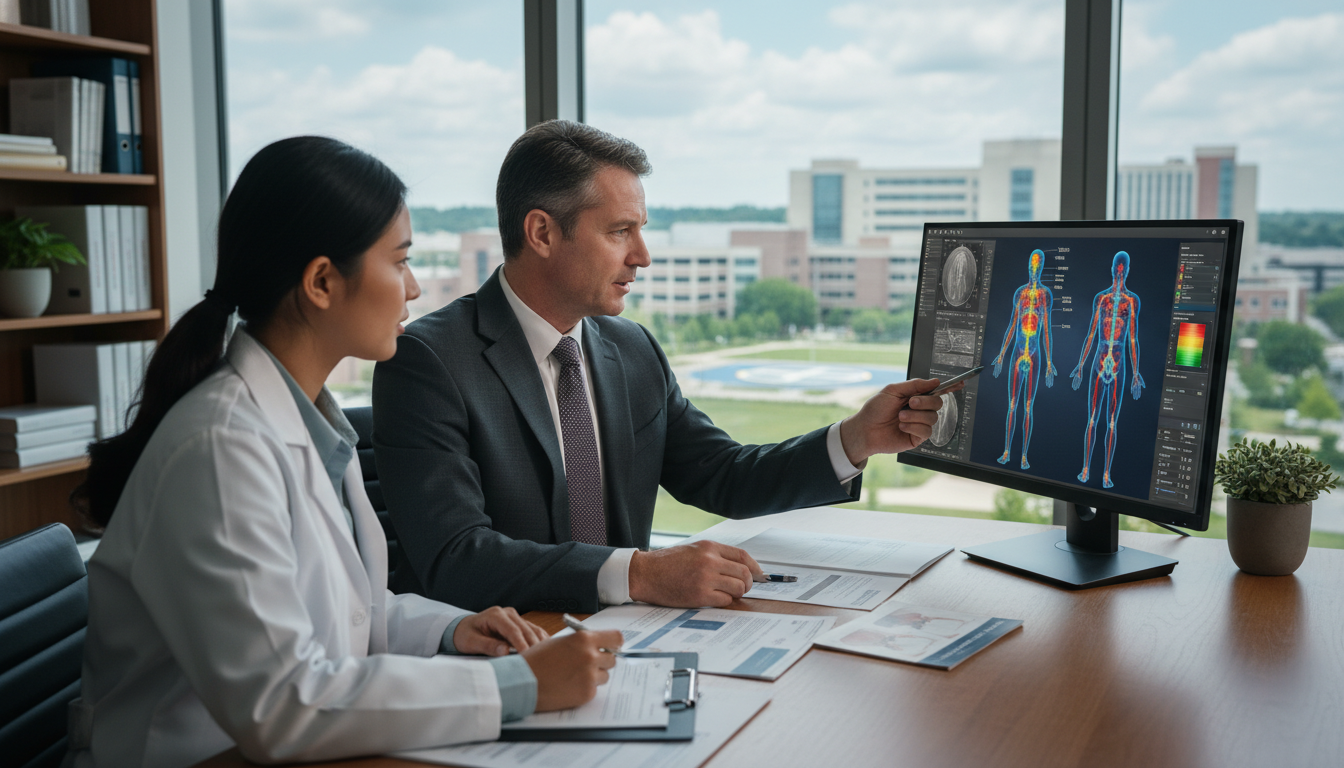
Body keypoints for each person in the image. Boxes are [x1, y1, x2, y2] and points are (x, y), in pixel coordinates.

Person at [67, 137, 623, 768]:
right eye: (400, 261)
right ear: (323, 282)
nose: (413, 288)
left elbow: (352, 613)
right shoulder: (219, 451)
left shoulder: (309, 424)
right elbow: (284, 704)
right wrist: (518, 686)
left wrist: (451, 630)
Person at [372, 120, 952, 615]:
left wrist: (855, 438)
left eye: (640, 230)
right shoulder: (430, 362)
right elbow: (456, 559)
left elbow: (723, 474)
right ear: (542, 232)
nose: (642, 256)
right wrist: (641, 574)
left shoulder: (630, 349)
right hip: (511, 657)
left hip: (630, 646)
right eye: (620, 231)